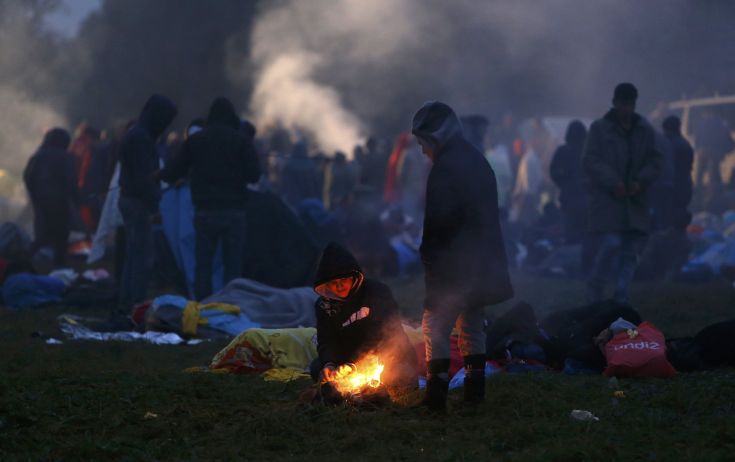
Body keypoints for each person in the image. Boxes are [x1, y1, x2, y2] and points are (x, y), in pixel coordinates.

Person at [412, 101, 514, 411]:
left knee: (434, 326)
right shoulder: (476, 160)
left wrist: (429, 258)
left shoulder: (445, 169)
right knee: (471, 324)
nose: (422, 150)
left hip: (455, 265)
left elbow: (440, 224)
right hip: (481, 262)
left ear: (436, 137)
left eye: (423, 143)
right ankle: (474, 394)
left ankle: (435, 397)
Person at [161, 97, 260, 300]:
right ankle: (230, 306)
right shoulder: (240, 141)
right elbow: (254, 175)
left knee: (203, 265)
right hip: (234, 212)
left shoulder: (196, 141)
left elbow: (173, 172)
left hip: (205, 211)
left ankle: (201, 308)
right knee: (232, 266)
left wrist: (158, 174)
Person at [583, 83, 661, 304]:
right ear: (615, 103)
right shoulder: (600, 129)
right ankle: (597, 284)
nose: (627, 108)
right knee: (612, 244)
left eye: (631, 104)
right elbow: (590, 159)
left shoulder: (644, 130)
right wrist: (612, 181)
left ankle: (621, 295)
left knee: (630, 252)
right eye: (624, 103)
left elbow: (655, 161)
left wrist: (640, 182)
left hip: (634, 201)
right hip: (609, 201)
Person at [311, 242, 418, 400]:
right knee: (316, 367)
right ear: (326, 285)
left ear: (354, 277)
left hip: (387, 355)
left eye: (344, 280)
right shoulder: (324, 306)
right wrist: (329, 363)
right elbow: (326, 339)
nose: (339, 286)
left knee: (400, 375)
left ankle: (368, 392)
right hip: (346, 361)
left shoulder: (376, 292)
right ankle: (345, 392)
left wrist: (356, 364)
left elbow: (385, 334)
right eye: (333, 283)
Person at [118, 94, 177, 310]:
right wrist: (155, 205)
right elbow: (144, 177)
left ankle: (127, 301)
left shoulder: (136, 134)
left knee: (133, 255)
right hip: (138, 202)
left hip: (130, 198)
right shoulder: (142, 138)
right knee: (142, 257)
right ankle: (137, 304)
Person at [23, 128, 78, 267]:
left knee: (41, 236)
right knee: (60, 237)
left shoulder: (38, 155)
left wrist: (34, 195)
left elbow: (28, 176)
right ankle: (58, 267)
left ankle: (25, 262)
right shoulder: (66, 157)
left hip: (40, 201)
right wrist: (75, 198)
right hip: (59, 203)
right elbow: (70, 181)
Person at [550, 120, 588, 244]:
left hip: (569, 200)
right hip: (585, 201)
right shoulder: (589, 152)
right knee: (584, 236)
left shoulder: (562, 151)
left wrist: (564, 183)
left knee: (570, 235)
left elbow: (553, 172)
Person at [663, 116, 694, 224]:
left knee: (667, 219)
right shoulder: (685, 143)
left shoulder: (666, 144)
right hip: (685, 185)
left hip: (671, 187)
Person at [280, 141, 320, 208]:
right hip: (301, 201)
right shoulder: (310, 167)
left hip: (298, 200)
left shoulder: (288, 166)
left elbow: (284, 184)